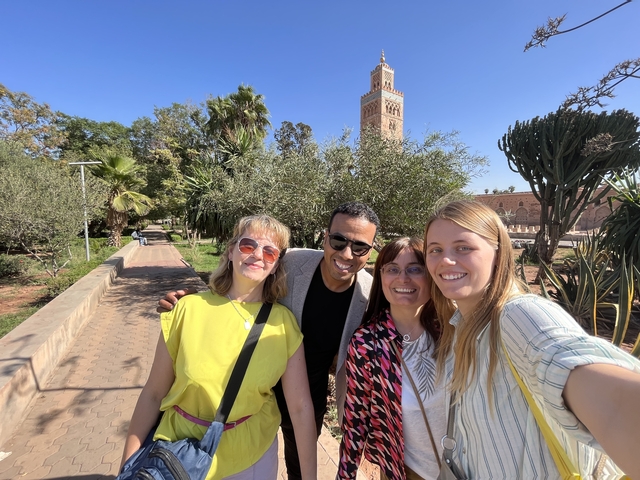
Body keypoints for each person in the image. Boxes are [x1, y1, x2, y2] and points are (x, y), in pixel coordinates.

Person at [158, 202, 379, 480]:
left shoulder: (368, 296)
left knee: (300, 460)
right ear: (325, 237)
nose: (346, 253)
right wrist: (193, 299)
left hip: (307, 392)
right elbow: (245, 281)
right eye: (338, 240)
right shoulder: (292, 261)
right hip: (253, 380)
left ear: (371, 250)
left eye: (359, 247)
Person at [424, 200, 640, 479]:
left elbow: (615, 405)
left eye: (463, 247)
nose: (446, 260)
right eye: (435, 250)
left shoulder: (518, 315)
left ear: (498, 255)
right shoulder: (460, 328)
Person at [121, 214, 317, 480]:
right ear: (231, 250)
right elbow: (153, 394)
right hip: (179, 450)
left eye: (270, 252)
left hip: (252, 456)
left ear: (276, 265)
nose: (258, 255)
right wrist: (127, 466)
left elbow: (300, 408)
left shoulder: (284, 325)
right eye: (249, 245)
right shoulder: (188, 309)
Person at [337, 237, 445, 480]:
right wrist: (345, 476)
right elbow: (356, 420)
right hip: (407, 472)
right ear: (381, 277)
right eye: (392, 269)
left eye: (415, 269)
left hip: (468, 467)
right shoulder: (368, 343)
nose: (403, 278)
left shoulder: (454, 331)